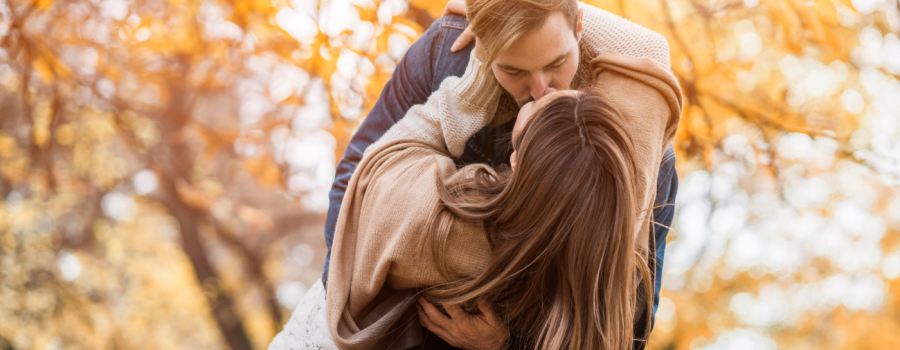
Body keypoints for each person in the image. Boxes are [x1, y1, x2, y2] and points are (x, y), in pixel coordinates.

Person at [270, 0, 680, 348]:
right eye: (514, 71)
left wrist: (507, 343)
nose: (541, 89)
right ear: (481, 46)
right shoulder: (450, 49)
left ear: (578, 26)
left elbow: (631, 325)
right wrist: (352, 286)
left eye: (557, 63)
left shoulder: (642, 145)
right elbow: (351, 189)